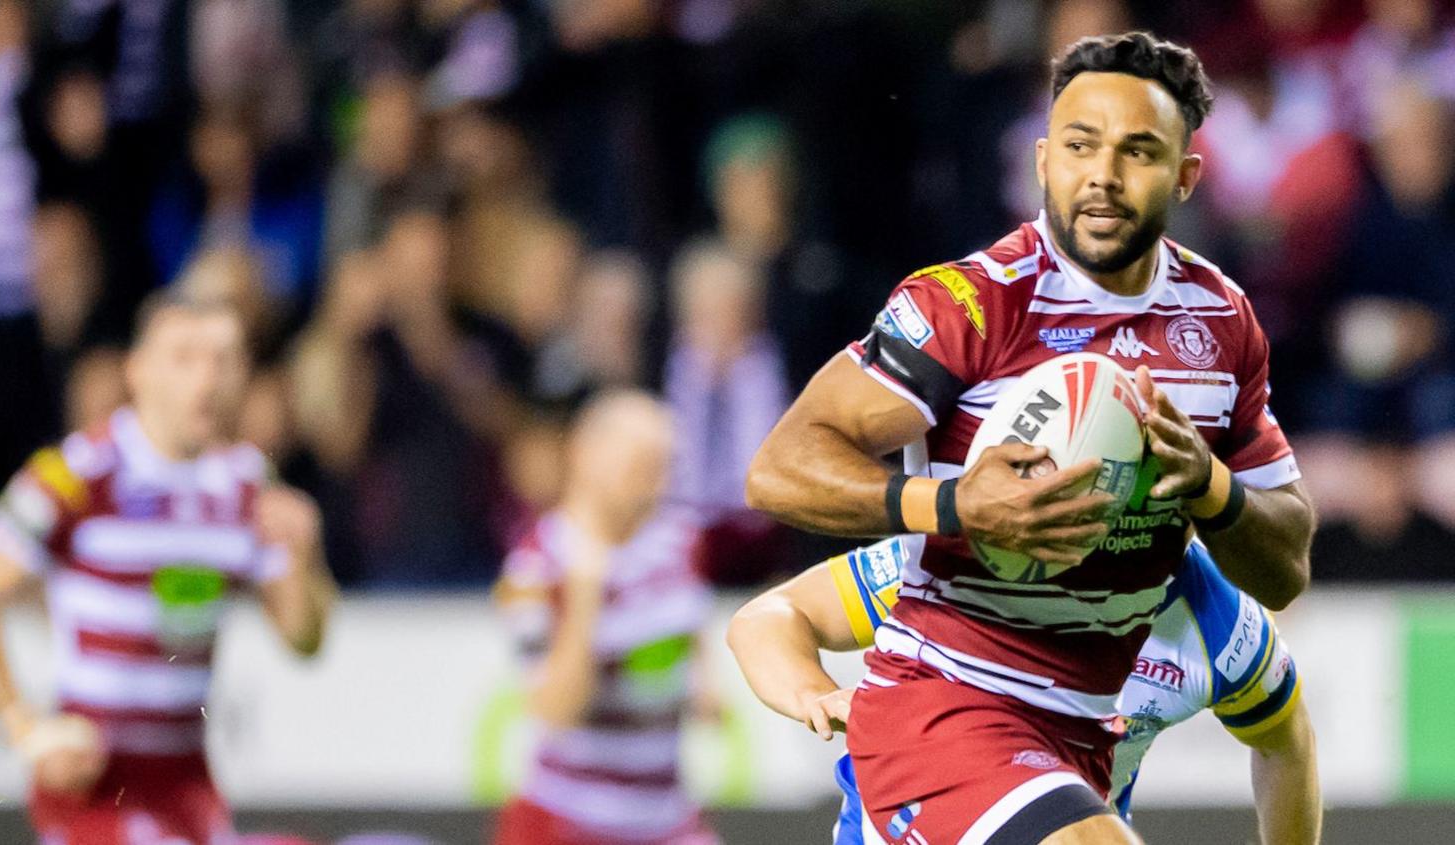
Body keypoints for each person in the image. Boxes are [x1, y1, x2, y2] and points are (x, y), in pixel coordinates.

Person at [744, 31, 1315, 844]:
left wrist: (1211, 487)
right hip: (941, 702)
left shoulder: (1221, 321)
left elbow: (1286, 567)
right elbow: (779, 469)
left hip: (1078, 738)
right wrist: (952, 504)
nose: (1104, 177)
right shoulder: (968, 304)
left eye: (1138, 152)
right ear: (1044, 159)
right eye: (1081, 146)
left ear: (1186, 176)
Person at [0, 290, 337, 844]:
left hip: (187, 778)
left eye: (223, 358)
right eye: (185, 358)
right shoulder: (77, 474)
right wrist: (26, 730)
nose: (207, 378)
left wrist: (305, 555)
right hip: (97, 779)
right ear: (138, 372)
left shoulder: (250, 484)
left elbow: (303, 640)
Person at [728, 537, 1322, 844]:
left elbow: (1285, 743)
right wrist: (814, 692)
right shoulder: (973, 556)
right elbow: (769, 616)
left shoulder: (1220, 628)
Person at [491, 392, 718, 845]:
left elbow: (690, 635)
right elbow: (553, 709)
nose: (655, 484)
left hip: (664, 815)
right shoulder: (533, 567)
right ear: (585, 455)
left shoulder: (678, 541)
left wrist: (700, 683)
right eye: (641, 465)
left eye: (663, 467)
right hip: (568, 819)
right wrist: (585, 596)